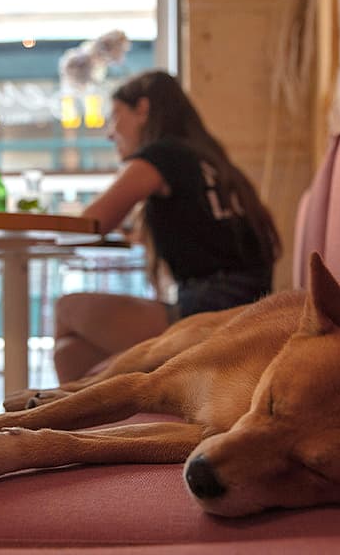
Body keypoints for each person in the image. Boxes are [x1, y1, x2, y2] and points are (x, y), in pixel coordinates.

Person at [53, 69, 282, 383]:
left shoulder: (162, 155)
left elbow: (90, 224)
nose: (110, 132)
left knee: (67, 309)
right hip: (248, 314)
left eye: (115, 116)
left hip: (211, 318)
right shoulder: (207, 158)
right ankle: (87, 423)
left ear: (143, 109)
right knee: (69, 352)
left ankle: (73, 421)